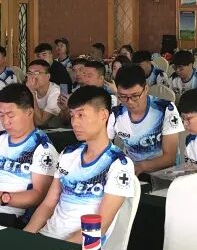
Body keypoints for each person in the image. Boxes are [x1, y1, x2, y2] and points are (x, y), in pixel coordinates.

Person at [24, 86, 135, 242]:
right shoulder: (68, 154)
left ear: (103, 115)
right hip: (47, 237)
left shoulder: (119, 164)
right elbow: (48, 204)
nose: (74, 122)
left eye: (81, 115)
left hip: (79, 248)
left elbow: (100, 226)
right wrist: (25, 238)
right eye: (72, 115)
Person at [0, 84, 58, 223]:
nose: (5, 122)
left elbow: (40, 195)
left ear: (29, 112)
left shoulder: (42, 147)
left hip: (10, 216)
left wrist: (0, 198)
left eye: (11, 115)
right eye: (1, 115)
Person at [108, 63, 183, 175]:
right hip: (133, 172)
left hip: (165, 174)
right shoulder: (116, 114)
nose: (130, 102)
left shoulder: (165, 109)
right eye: (123, 96)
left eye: (135, 96)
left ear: (146, 88)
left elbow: (169, 158)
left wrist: (140, 166)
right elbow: (104, 147)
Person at [25, 59, 62, 127]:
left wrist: (32, 93)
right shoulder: (27, 88)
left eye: (37, 73)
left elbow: (40, 122)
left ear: (48, 76)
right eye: (30, 73)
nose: (33, 77)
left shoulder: (56, 92)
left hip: (53, 130)